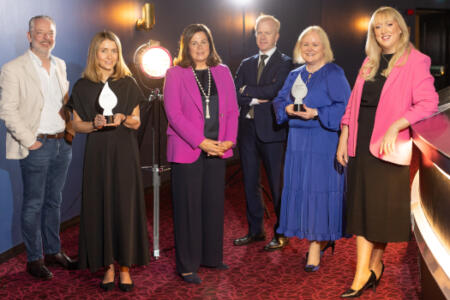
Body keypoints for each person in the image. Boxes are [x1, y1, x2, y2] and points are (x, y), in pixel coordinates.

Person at [336, 6, 438, 298]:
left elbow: (428, 103)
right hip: (360, 144)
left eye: (389, 25)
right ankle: (364, 271)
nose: (383, 31)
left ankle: (372, 267)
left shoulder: (417, 61)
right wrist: (344, 136)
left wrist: (396, 126)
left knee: (378, 214)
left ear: (401, 28)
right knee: (362, 212)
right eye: (378, 27)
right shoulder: (369, 61)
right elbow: (353, 104)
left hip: (387, 148)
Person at [67, 31, 149, 292]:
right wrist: (93, 123)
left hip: (124, 153)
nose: (109, 55)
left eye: (113, 50)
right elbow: (76, 125)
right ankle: (108, 267)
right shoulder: (82, 86)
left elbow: (136, 123)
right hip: (97, 155)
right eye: (104, 50)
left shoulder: (128, 83)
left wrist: (124, 117)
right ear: (95, 54)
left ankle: (124, 267)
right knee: (101, 205)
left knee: (124, 206)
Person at [163, 24, 239, 284]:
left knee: (213, 205)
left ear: (210, 44)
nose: (199, 47)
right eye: (194, 43)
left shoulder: (223, 71)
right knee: (188, 209)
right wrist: (202, 141)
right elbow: (174, 114)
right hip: (188, 149)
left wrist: (228, 141)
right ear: (186, 46)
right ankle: (187, 265)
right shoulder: (175, 73)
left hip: (218, 149)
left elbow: (232, 110)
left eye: (203, 42)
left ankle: (211, 257)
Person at [0, 15, 74, 280]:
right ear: (29, 36)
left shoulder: (61, 65)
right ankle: (34, 259)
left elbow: (63, 102)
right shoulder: (13, 68)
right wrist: (29, 141)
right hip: (36, 146)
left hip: (61, 144)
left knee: (54, 201)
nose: (46, 37)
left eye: (50, 33)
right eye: (40, 33)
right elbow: (6, 109)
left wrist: (70, 130)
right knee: (33, 204)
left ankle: (53, 251)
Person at [273, 26, 350, 272]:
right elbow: (280, 99)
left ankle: (316, 245)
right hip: (296, 142)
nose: (309, 48)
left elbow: (346, 107)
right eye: (305, 44)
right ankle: (311, 236)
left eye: (315, 44)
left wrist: (317, 112)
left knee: (318, 191)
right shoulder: (295, 73)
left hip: (322, 140)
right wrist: (285, 109)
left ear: (324, 48)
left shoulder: (334, 73)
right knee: (302, 191)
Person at [233, 15, 293, 251]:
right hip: (247, 130)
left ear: (276, 36)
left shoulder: (285, 62)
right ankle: (255, 230)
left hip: (272, 132)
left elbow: (276, 90)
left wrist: (249, 93)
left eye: (268, 33)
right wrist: (258, 96)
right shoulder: (246, 63)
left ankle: (282, 231)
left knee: (277, 186)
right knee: (249, 183)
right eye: (259, 32)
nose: (263, 37)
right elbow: (235, 93)